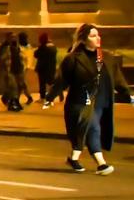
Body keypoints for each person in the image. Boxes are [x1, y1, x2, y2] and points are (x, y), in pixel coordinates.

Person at [58, 23, 129, 175]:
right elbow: (63, 80)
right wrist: (50, 97)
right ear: (83, 40)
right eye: (93, 36)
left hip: (102, 102)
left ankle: (74, 158)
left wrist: (127, 94)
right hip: (84, 102)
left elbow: (117, 78)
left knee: (91, 130)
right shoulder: (74, 59)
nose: (98, 38)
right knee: (94, 129)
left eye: (98, 35)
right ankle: (101, 164)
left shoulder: (106, 57)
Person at [0, 33, 25, 112]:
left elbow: (21, 56)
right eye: (12, 37)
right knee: (13, 87)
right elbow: (0, 58)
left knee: (20, 86)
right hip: (9, 69)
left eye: (15, 37)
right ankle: (12, 104)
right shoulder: (4, 47)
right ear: (7, 38)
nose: (14, 39)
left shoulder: (17, 46)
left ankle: (7, 99)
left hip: (18, 68)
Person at [34, 32, 60, 107]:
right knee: (51, 82)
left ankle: (43, 98)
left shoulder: (43, 46)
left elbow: (36, 54)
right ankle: (55, 95)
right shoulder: (53, 46)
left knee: (42, 83)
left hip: (43, 68)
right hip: (51, 67)